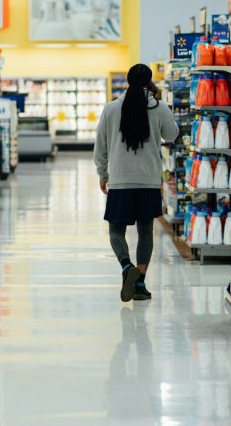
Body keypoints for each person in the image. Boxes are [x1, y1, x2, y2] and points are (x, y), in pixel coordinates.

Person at [94, 63, 179, 302]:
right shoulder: (158, 107)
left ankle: (125, 267)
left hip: (120, 180)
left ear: (128, 80)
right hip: (149, 180)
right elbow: (172, 135)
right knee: (145, 231)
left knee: (116, 231)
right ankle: (140, 283)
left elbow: (100, 146)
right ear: (149, 81)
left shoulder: (111, 109)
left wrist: (103, 173)